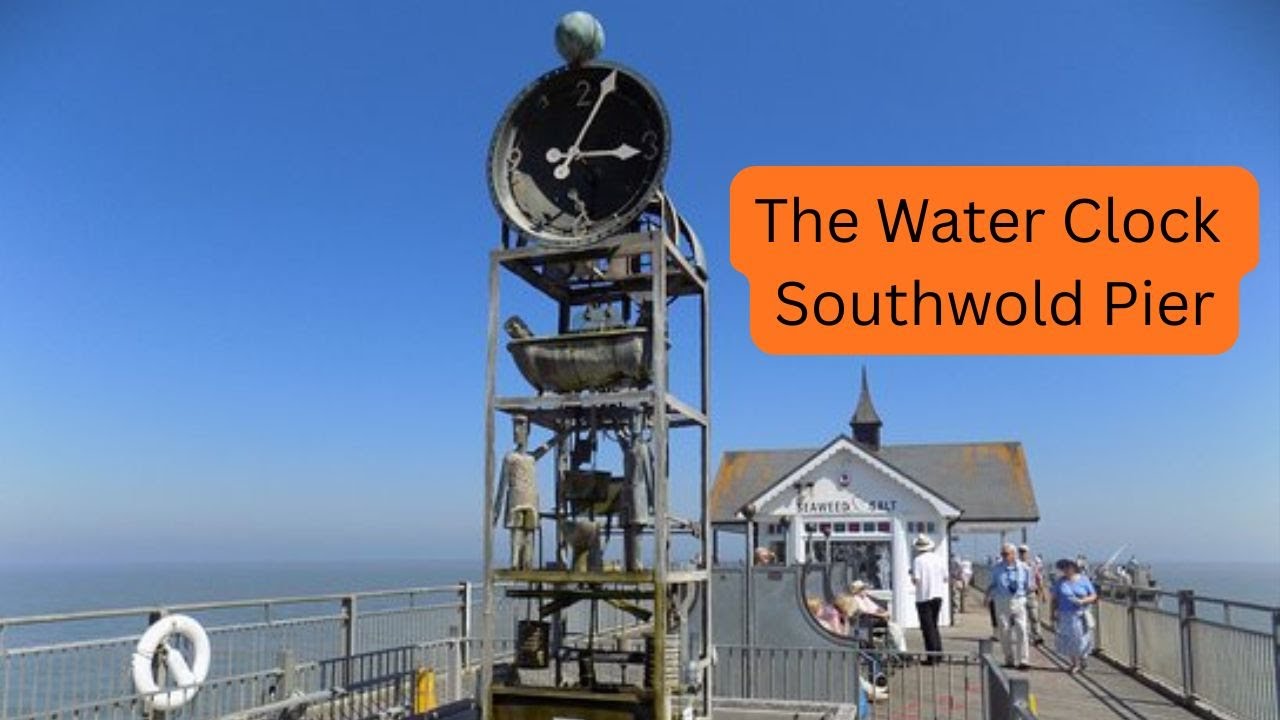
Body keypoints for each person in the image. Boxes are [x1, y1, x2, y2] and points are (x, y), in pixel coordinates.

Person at [986, 543, 1031, 669]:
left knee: (1022, 629)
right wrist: (987, 596)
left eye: (1006, 554)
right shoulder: (997, 568)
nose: (1004, 556)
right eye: (1002, 554)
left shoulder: (1024, 568)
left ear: (1013, 554)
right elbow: (992, 584)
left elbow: (1028, 585)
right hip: (1001, 600)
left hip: (1018, 599)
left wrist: (1023, 597)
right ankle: (1009, 659)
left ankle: (1024, 660)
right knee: (1004, 630)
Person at [1052, 558, 1098, 674]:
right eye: (1064, 567)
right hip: (1066, 614)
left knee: (1083, 638)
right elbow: (1054, 599)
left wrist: (1083, 601)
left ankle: (1083, 658)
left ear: (1074, 568)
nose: (1066, 569)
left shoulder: (1084, 580)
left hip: (1081, 614)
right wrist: (1053, 612)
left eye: (1068, 567)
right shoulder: (1060, 582)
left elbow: (1093, 596)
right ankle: (1074, 663)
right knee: (1070, 639)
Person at [909, 534, 947, 663]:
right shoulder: (939, 559)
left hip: (924, 596)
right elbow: (945, 578)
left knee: (927, 627)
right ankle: (938, 653)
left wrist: (912, 576)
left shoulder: (918, 560)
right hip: (938, 595)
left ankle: (932, 656)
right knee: (934, 626)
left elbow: (916, 580)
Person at [844, 581, 907, 652]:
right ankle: (898, 650)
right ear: (858, 591)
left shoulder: (865, 598)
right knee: (893, 628)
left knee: (896, 628)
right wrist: (881, 615)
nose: (865, 591)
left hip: (874, 620)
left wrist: (883, 612)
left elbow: (876, 608)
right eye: (863, 589)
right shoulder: (856, 599)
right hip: (864, 621)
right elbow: (865, 612)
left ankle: (900, 650)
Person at [1018, 545, 1046, 645]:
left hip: (1031, 593)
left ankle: (1037, 635)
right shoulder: (1016, 565)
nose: (1022, 553)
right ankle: (1026, 636)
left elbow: (1039, 579)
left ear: (1028, 553)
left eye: (1024, 552)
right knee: (1022, 617)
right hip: (1020, 594)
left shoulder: (1033, 565)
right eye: (1020, 551)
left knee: (1034, 616)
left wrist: (1043, 593)